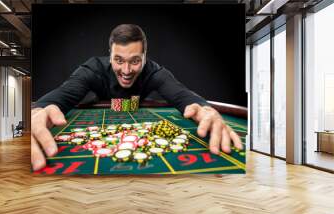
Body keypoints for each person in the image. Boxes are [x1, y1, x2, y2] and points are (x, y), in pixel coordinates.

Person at [31, 24, 243, 171]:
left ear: (144, 57)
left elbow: (182, 94)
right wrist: (38, 111)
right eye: (118, 60)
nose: (126, 70)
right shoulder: (92, 68)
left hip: (139, 106)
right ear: (110, 55)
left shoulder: (154, 72)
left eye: (134, 61)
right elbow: (62, 94)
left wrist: (205, 108)